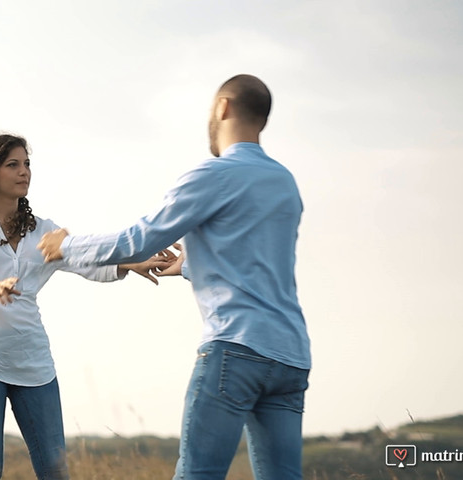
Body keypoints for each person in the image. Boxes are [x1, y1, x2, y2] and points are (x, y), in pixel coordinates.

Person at [37, 74, 311, 480]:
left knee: (197, 473)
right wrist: (194, 265)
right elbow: (260, 264)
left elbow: (137, 241)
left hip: (235, 349)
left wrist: (67, 245)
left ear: (223, 108)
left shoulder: (214, 174)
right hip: (290, 355)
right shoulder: (285, 183)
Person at [0, 133, 172, 480]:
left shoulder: (42, 231)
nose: (24, 172)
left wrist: (129, 264)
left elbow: (82, 261)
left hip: (34, 364)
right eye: (13, 165)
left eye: (27, 164)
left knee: (55, 471)